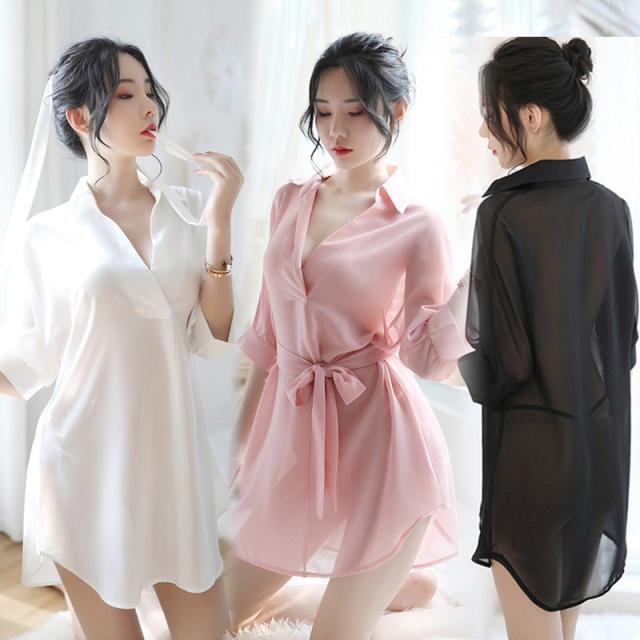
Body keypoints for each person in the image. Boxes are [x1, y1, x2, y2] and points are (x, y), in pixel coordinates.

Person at [226, 32, 470, 640]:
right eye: (323, 112)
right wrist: (241, 443)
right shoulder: (289, 201)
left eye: (356, 113)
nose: (336, 130)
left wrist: (473, 278)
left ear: (397, 112)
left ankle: (385, 579)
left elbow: (426, 358)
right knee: (207, 622)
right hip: (297, 440)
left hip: (386, 451)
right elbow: (268, 335)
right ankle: (398, 585)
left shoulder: (416, 223)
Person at [0, 37, 243, 640]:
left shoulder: (187, 211)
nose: (148, 107)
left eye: (149, 92)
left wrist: (219, 219)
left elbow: (213, 335)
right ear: (79, 117)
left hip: (172, 467)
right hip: (81, 471)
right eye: (125, 95)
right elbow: (26, 366)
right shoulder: (46, 236)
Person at [458, 36, 638, 640]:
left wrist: (452, 361)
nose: (484, 133)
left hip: (529, 454)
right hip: (596, 446)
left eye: (490, 116)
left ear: (530, 116)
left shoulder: (501, 214)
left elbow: (504, 362)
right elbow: (623, 342)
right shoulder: (613, 209)